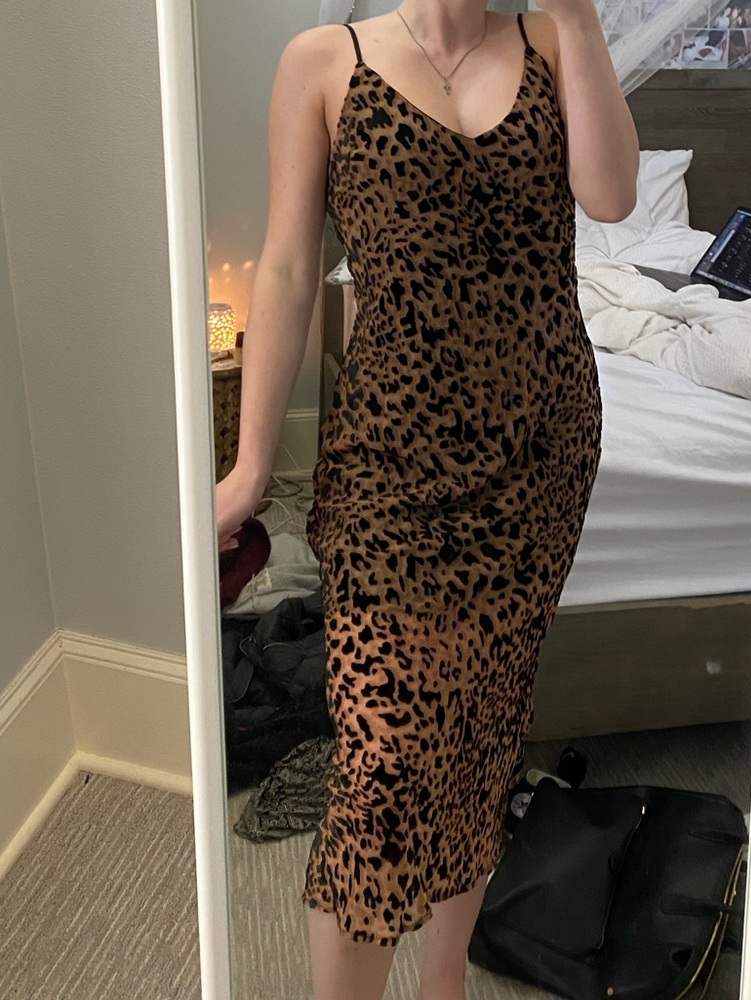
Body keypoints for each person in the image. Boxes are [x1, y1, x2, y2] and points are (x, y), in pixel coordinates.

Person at [216, 1, 638, 997]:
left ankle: (442, 980)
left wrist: (578, 16)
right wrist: (248, 465)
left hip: (539, 458)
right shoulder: (325, 61)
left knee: (484, 732)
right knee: (382, 770)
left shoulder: (551, 42)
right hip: (390, 465)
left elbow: (613, 196)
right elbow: (288, 269)